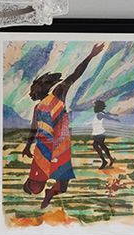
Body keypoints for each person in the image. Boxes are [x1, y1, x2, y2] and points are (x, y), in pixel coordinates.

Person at [22, 43, 106, 210]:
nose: (32, 93)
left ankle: (48, 193)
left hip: (52, 146)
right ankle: (39, 188)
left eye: (33, 90)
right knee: (45, 185)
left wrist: (90, 56)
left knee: (59, 185)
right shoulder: (40, 106)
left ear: (41, 88)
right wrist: (26, 147)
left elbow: (75, 74)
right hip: (52, 146)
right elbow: (34, 128)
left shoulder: (57, 93)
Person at [90, 98, 121, 169]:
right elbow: (107, 114)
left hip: (99, 134)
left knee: (97, 146)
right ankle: (110, 159)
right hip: (98, 133)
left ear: (98, 107)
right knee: (101, 146)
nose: (94, 108)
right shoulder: (100, 113)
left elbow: (106, 116)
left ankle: (105, 161)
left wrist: (114, 119)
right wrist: (114, 115)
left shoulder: (100, 114)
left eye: (95, 107)